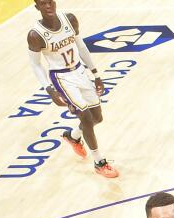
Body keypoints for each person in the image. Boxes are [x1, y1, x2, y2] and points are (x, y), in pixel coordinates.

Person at [26, 0, 117, 178]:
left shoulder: (69, 19)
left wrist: (96, 73)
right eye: (43, 4)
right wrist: (49, 89)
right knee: (86, 118)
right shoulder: (35, 35)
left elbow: (81, 47)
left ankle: (73, 136)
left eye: (50, 2)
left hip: (80, 71)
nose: (48, 6)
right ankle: (99, 162)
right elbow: (35, 65)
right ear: (37, 8)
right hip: (61, 78)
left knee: (97, 118)